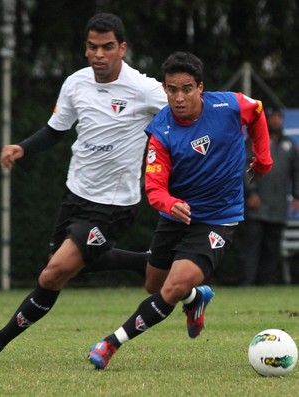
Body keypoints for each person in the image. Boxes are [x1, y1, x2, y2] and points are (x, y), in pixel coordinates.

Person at [87, 51, 273, 370]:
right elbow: (154, 187)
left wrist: (263, 160)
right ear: (164, 89)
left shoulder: (228, 106)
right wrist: (170, 203)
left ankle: (110, 344)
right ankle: (195, 298)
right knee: (154, 285)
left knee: (171, 288)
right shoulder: (161, 131)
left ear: (200, 88)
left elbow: (257, 111)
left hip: (218, 219)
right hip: (177, 215)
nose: (179, 97)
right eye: (172, 90)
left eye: (186, 88)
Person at [0, 13, 168, 353]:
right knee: (74, 263)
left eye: (107, 47)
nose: (99, 55)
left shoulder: (145, 90)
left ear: (122, 48)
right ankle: (156, 267)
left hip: (113, 205)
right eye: (92, 47)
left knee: (53, 274)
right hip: (75, 194)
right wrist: (22, 148)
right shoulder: (76, 83)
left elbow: (185, 113)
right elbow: (56, 130)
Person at [238, 107, 299, 286]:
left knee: (272, 248)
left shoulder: (288, 145)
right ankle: (246, 282)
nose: (276, 121)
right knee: (251, 245)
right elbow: (244, 167)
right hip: (257, 203)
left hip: (278, 204)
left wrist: (296, 196)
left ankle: (266, 284)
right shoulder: (254, 141)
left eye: (279, 117)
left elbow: (296, 172)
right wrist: (251, 192)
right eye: (272, 117)